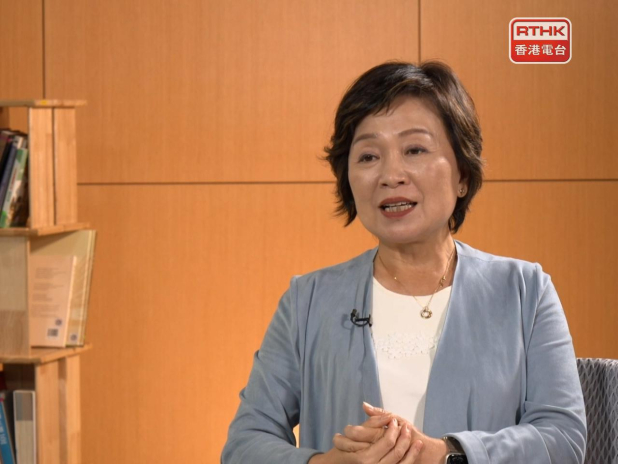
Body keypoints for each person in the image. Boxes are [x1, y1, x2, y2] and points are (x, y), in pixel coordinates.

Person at [221, 61, 586, 464]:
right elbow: (245, 443)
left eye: (415, 150)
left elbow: (563, 438)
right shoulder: (307, 301)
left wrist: (448, 455)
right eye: (368, 156)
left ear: (462, 174)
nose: (391, 175)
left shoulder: (524, 291)